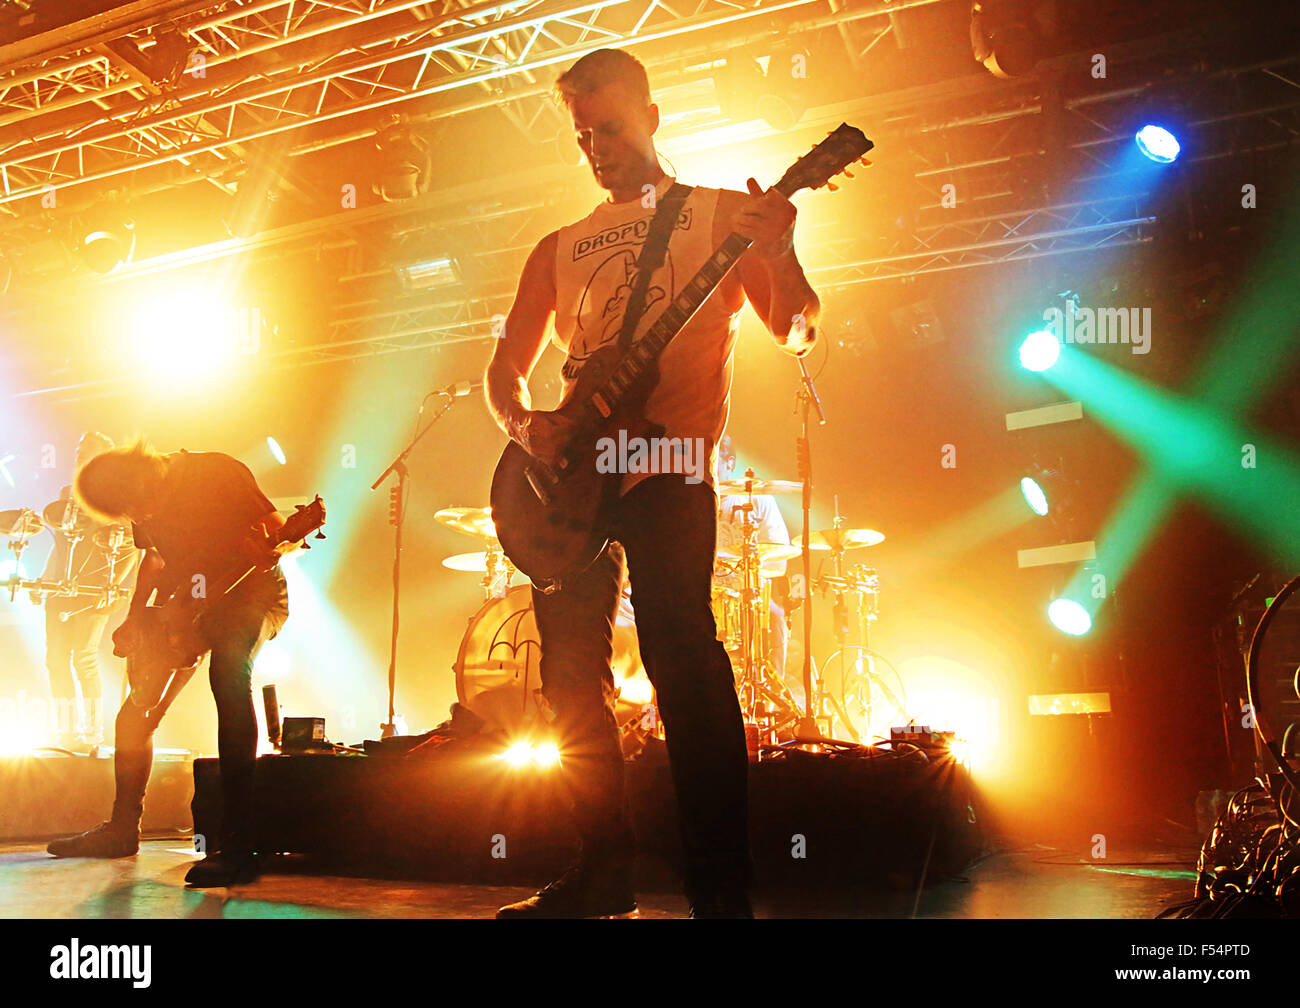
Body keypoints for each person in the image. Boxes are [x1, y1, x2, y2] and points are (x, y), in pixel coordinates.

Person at [485, 48, 819, 918]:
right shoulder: (556, 248)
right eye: (584, 134)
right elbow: (505, 369)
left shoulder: (720, 216)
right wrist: (529, 428)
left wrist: (779, 250)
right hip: (572, 479)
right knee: (567, 679)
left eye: (613, 127)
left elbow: (800, 328)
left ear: (653, 116)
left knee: (687, 664)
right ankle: (601, 871)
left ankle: (720, 889)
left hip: (669, 464)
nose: (598, 147)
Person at [45, 442, 290, 888]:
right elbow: (154, 559)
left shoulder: (218, 471)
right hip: (188, 604)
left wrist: (270, 550)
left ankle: (237, 842)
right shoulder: (142, 507)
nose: (138, 518)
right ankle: (122, 828)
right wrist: (137, 617)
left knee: (229, 677)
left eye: (137, 507)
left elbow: (282, 533)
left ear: (145, 475)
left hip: (252, 594)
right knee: (137, 708)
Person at [37, 431, 137, 749]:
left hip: (94, 590)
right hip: (61, 587)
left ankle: (91, 731)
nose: (79, 453)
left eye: (86, 449)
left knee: (84, 657)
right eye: (78, 448)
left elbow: (132, 545)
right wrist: (44, 578)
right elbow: (60, 543)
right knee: (55, 658)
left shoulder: (118, 495)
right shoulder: (69, 492)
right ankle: (65, 730)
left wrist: (114, 584)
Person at [715, 434, 793, 688]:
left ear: (730, 463)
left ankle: (773, 695)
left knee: (776, 617)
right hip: (704, 593)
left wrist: (752, 581)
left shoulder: (759, 500)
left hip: (747, 590)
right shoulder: (692, 502)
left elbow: (779, 556)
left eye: (713, 459)